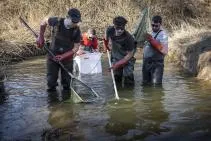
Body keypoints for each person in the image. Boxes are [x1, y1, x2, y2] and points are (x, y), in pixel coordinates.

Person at [36, 8, 82, 92]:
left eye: (77, 22)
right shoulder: (57, 21)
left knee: (67, 85)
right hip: (52, 57)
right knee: (50, 83)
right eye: (73, 21)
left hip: (67, 60)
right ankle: (53, 102)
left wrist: (63, 56)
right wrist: (41, 36)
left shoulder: (77, 31)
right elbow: (44, 21)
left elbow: (76, 48)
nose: (75, 24)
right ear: (67, 17)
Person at [103, 16, 136, 87]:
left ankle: (129, 93)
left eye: (122, 28)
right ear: (114, 26)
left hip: (127, 58)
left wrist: (117, 64)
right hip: (116, 56)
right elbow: (105, 39)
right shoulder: (109, 30)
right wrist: (106, 47)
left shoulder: (129, 38)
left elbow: (129, 55)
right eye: (118, 28)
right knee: (117, 78)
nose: (120, 31)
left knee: (128, 77)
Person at [142, 15, 168, 86]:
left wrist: (152, 41)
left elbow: (165, 51)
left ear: (160, 25)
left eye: (156, 26)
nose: (154, 27)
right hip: (146, 63)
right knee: (145, 85)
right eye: (152, 25)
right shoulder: (149, 33)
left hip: (157, 65)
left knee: (156, 86)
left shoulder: (163, 35)